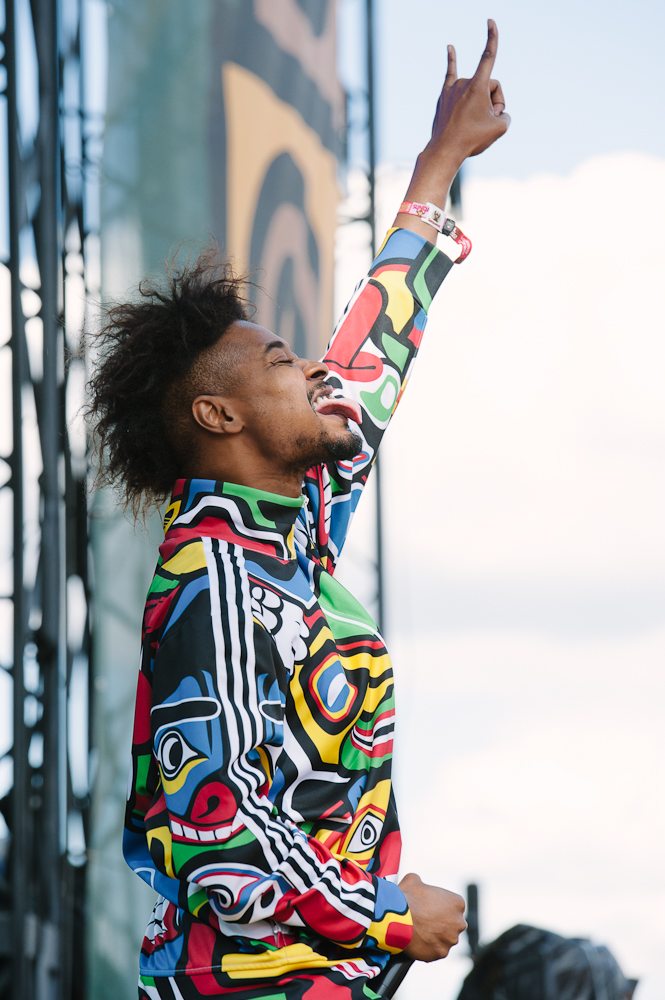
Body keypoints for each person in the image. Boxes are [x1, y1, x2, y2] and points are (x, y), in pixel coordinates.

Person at [88, 21, 510, 1000]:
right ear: (218, 413)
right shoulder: (216, 575)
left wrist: (434, 172)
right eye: (282, 362)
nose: (315, 366)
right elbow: (216, 832)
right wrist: (389, 914)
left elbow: (370, 358)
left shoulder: (295, 514)